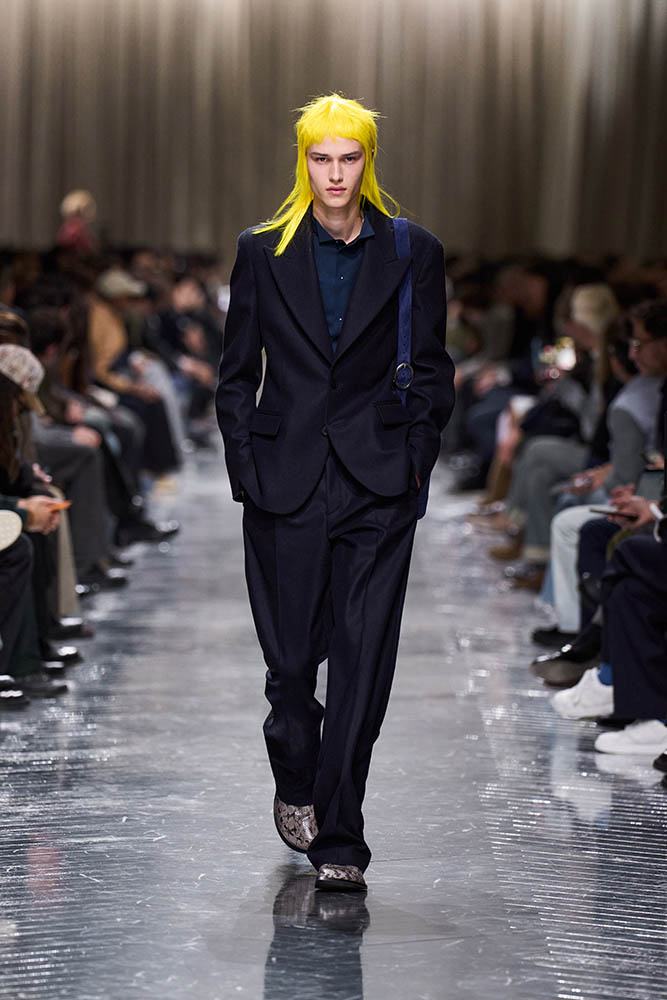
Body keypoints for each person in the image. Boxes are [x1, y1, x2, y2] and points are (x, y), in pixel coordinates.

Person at [216, 94, 455, 892]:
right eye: (321, 158)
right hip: (282, 481)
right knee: (290, 668)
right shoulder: (261, 250)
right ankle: (295, 769)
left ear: (367, 161)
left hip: (378, 483)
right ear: (303, 161)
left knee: (361, 663)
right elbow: (234, 373)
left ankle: (341, 836)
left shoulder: (412, 250)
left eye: (349, 158)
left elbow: (433, 368)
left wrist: (414, 458)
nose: (335, 174)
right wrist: (245, 467)